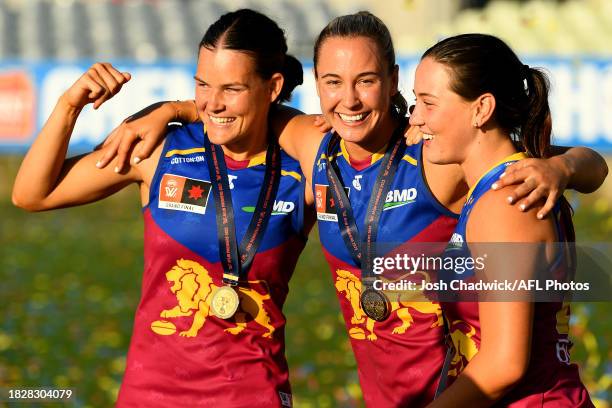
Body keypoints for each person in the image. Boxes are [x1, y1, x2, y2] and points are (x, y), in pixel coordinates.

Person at [96, 12, 608, 407]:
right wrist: (173, 109)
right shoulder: (315, 146)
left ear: (393, 81)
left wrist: (562, 169)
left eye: (366, 80)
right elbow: (244, 105)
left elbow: (564, 166)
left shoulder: (441, 161)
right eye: (332, 82)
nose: (349, 99)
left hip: (469, 395)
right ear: (314, 85)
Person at [13, 9, 313, 407]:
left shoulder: (302, 169)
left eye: (232, 89)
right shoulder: (159, 150)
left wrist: (178, 107)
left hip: (252, 395)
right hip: (149, 396)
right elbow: (32, 194)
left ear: (273, 86)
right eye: (202, 85)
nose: (213, 104)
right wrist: (70, 106)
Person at [410, 33, 596, 407]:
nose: (416, 118)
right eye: (416, 102)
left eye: (428, 103)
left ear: (481, 109)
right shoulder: (510, 177)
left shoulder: (505, 203)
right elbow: (593, 165)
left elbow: (503, 364)